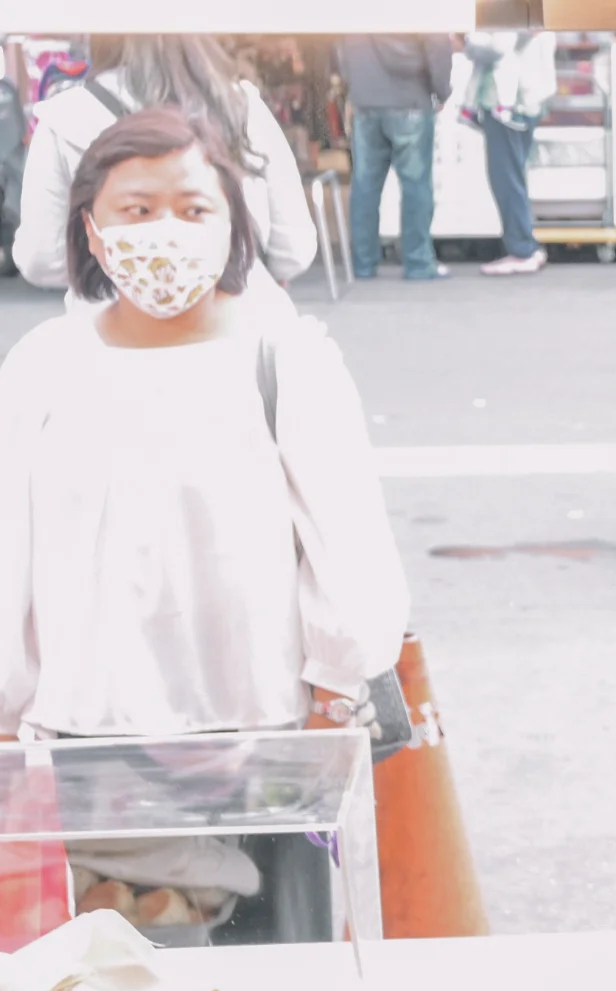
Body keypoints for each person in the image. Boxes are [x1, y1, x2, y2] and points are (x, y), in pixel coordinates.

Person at [0, 108, 408, 751]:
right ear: (92, 231)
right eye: (137, 210)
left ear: (232, 225)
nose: (165, 232)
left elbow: (349, 547)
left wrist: (330, 705)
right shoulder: (43, 367)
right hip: (85, 737)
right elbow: (8, 555)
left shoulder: (288, 361)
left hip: (266, 733)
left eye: (193, 210)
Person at [12, 36, 317, 315]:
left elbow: (42, 260)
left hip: (112, 334)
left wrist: (126, 266)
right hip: (242, 321)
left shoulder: (66, 118)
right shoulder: (242, 106)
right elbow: (294, 249)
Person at [335, 35, 453, 282]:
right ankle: (418, 262)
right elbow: (438, 42)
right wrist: (441, 91)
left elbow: (340, 45)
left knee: (364, 185)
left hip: (364, 100)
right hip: (409, 98)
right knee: (416, 184)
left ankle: (363, 264)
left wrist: (354, 82)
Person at [461, 31, 556, 277]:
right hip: (521, 100)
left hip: (508, 102)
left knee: (505, 178)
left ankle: (522, 249)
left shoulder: (511, 10)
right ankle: (525, 245)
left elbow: (498, 46)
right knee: (512, 176)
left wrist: (465, 39)